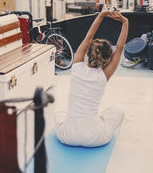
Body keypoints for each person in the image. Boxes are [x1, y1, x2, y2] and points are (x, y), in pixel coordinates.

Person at [55, 10, 129, 147]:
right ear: (107, 60)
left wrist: (101, 15)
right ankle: (98, 120)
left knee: (59, 113)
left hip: (67, 137)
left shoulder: (76, 66)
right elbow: (119, 48)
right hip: (95, 138)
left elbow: (89, 37)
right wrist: (125, 22)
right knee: (118, 112)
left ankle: (95, 121)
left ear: (88, 54)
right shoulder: (103, 76)